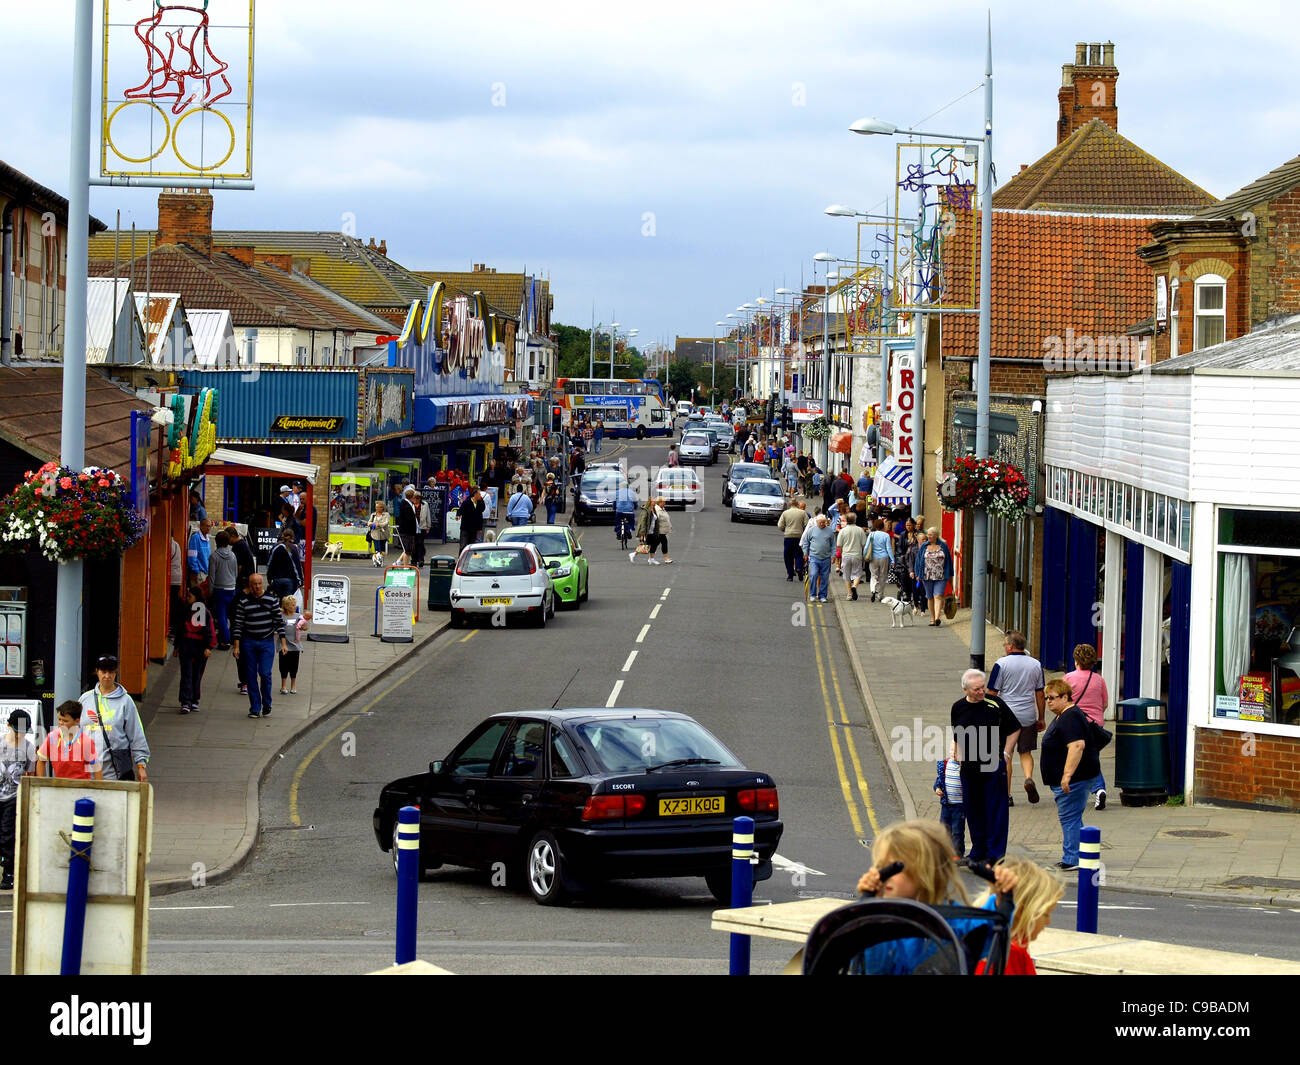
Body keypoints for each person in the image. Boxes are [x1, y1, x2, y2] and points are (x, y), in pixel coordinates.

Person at [851, 820, 1018, 974]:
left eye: (894, 867)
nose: (884, 874)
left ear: (927, 871)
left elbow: (987, 931)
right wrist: (871, 904)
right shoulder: (883, 920)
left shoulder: (954, 921)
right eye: (880, 867)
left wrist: (1000, 897)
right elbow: (871, 966)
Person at [951, 668, 1021, 865]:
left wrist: (1006, 754)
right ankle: (977, 852)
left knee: (995, 811)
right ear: (965, 690)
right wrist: (958, 755)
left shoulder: (995, 704)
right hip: (969, 770)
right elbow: (957, 734)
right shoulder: (957, 707)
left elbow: (1015, 729)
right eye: (976, 689)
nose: (981, 692)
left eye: (983, 687)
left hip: (992, 766)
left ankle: (996, 854)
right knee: (973, 812)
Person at [1041, 678, 1105, 870]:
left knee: (1069, 817)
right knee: (1073, 816)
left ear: (1065, 697)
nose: (1048, 701)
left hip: (1075, 779)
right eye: (1046, 698)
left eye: (1052, 697)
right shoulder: (1066, 715)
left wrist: (1066, 775)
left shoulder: (1070, 717)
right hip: (1078, 777)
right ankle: (1077, 855)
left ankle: (1072, 859)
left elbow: (1077, 746)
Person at [988, 632, 1047, 808]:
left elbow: (992, 692)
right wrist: (1041, 717)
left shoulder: (1001, 664)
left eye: (1005, 645)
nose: (1005, 648)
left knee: (1006, 755)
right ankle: (1028, 778)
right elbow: (1040, 693)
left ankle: (1006, 795)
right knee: (1026, 752)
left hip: (1007, 716)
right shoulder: (1035, 664)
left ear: (1011, 646)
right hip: (1028, 715)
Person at [974, 860, 1064, 975]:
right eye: (1045, 914)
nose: (1048, 922)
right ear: (1020, 911)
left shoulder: (1005, 948)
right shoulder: (1008, 954)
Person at [80, 654, 150, 783]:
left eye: (111, 672)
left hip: (114, 773)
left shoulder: (125, 701)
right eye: (103, 672)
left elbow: (136, 733)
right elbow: (74, 731)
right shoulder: (85, 699)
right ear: (97, 672)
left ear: (116, 672)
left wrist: (141, 765)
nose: (107, 676)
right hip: (86, 772)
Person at [231, 573, 288, 720]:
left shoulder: (271, 600)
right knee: (250, 676)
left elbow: (278, 622)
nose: (257, 587)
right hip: (248, 642)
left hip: (266, 642)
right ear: (250, 586)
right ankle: (255, 707)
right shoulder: (243, 602)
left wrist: (283, 643)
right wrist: (236, 646)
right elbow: (237, 625)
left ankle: (267, 704)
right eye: (254, 584)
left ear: (262, 584)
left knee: (264, 673)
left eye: (259, 583)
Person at [1065, 643, 1110, 809]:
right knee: (1091, 758)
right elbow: (1104, 703)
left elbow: (1063, 702)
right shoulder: (1099, 680)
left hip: (1075, 724)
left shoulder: (1068, 678)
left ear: (1076, 660)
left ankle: (1096, 789)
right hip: (1095, 725)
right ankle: (1097, 790)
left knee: (1073, 757)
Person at [0, 708, 36, 889]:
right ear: (8, 726)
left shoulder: (29, 748)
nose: (20, 735)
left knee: (8, 834)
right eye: (17, 730)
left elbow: (31, 772)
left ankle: (8, 873)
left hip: (14, 795)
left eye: (23, 731)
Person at [173, 583, 216, 714]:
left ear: (196, 597)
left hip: (195, 646)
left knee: (194, 674)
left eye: (190, 596)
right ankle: (188, 700)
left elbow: (208, 630)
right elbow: (180, 630)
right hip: (192, 646)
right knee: (190, 674)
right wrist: (177, 646)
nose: (187, 598)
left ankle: (191, 700)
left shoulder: (200, 612)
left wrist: (208, 646)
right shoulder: (190, 611)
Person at [36, 702, 102, 782]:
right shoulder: (52, 737)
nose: (61, 723)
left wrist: (99, 790)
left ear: (77, 721)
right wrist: (41, 783)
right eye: (59, 719)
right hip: (59, 787)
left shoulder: (86, 741)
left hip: (81, 788)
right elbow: (41, 761)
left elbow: (96, 767)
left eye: (65, 721)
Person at [918, 526, 954, 626]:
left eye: (931, 534)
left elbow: (949, 561)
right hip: (927, 575)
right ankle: (932, 618)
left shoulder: (943, 546)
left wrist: (951, 574)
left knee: (938, 596)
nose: (928, 536)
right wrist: (918, 573)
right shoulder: (924, 546)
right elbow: (919, 560)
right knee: (930, 597)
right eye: (928, 534)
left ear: (936, 535)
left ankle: (937, 618)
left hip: (941, 575)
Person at [209, 529, 238, 650]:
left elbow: (211, 576)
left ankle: (225, 641)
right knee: (229, 615)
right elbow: (235, 572)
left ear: (216, 542)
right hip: (231, 588)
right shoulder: (232, 555)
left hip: (219, 588)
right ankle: (227, 637)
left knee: (221, 616)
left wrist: (211, 591)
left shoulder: (214, 556)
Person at [799, 511, 836, 603]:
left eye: (824, 522)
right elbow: (806, 542)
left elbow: (833, 545)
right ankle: (812, 594)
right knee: (814, 574)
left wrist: (833, 556)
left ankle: (822, 596)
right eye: (820, 522)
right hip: (814, 557)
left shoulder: (830, 531)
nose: (822, 524)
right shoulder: (812, 530)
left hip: (826, 558)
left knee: (824, 577)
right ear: (817, 522)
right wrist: (805, 554)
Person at [934, 756, 965, 858]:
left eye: (956, 750)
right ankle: (944, 851)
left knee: (957, 831)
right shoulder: (946, 764)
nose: (954, 753)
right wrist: (937, 788)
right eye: (952, 750)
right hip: (946, 805)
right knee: (944, 829)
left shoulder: (964, 766)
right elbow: (939, 780)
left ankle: (957, 853)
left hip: (959, 806)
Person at [279, 595, 309, 696]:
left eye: (294, 605)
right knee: (283, 666)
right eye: (292, 605)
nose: (294, 607)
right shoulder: (281, 616)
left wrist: (304, 627)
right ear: (286, 606)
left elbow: (305, 627)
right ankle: (283, 686)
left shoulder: (298, 616)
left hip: (295, 645)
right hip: (283, 645)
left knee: (294, 666)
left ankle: (293, 685)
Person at [266, 527, 303, 601]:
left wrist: (269, 577)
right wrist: (300, 581)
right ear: (292, 538)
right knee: (287, 603)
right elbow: (297, 566)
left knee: (279, 600)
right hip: (290, 581)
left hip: (277, 580)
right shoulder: (293, 548)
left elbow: (269, 563)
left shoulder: (275, 547)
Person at [836, 512, 867, 601]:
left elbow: (839, 545)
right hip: (857, 555)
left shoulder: (842, 531)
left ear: (846, 521)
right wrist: (863, 554)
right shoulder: (860, 530)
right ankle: (854, 586)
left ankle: (849, 594)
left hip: (846, 555)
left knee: (846, 575)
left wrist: (842, 555)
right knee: (857, 573)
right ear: (855, 520)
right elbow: (863, 544)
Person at [777, 499, 809, 582]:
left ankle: (790, 575)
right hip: (799, 536)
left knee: (788, 555)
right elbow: (807, 524)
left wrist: (785, 529)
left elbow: (780, 525)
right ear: (797, 504)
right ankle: (799, 568)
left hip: (788, 536)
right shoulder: (802, 513)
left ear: (790, 504)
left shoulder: (785, 513)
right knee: (798, 553)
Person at [865, 518, 894, 603]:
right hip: (884, 557)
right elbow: (889, 548)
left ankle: (873, 589)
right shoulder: (886, 535)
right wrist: (892, 559)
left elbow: (867, 547)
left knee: (873, 575)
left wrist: (863, 555)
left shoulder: (871, 534)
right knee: (883, 576)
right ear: (882, 526)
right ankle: (880, 595)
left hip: (873, 557)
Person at [187, 517, 212, 590]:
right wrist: (196, 571)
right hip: (199, 573)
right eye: (207, 526)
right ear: (201, 526)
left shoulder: (207, 538)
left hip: (206, 572)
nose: (208, 528)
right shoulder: (195, 537)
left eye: (210, 526)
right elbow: (192, 557)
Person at [647, 497, 673, 564]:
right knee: (663, 542)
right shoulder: (657, 510)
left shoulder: (662, 509)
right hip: (659, 530)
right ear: (660, 502)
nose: (665, 503)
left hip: (662, 530)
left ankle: (650, 558)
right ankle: (666, 558)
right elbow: (654, 520)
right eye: (664, 502)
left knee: (655, 544)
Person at [368, 499, 391, 566]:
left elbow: (386, 523)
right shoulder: (373, 515)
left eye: (378, 507)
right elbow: (369, 522)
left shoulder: (386, 515)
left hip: (383, 534)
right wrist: (370, 524)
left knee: (382, 549)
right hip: (375, 534)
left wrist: (379, 524)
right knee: (377, 549)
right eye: (376, 507)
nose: (377, 508)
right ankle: (376, 561)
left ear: (382, 508)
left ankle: (381, 561)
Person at [412, 491, 430, 568]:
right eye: (415, 498)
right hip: (413, 528)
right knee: (413, 545)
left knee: (420, 544)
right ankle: (414, 560)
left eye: (418, 498)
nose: (416, 500)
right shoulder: (410, 505)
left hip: (422, 527)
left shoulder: (425, 504)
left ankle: (421, 559)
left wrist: (428, 526)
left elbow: (428, 515)